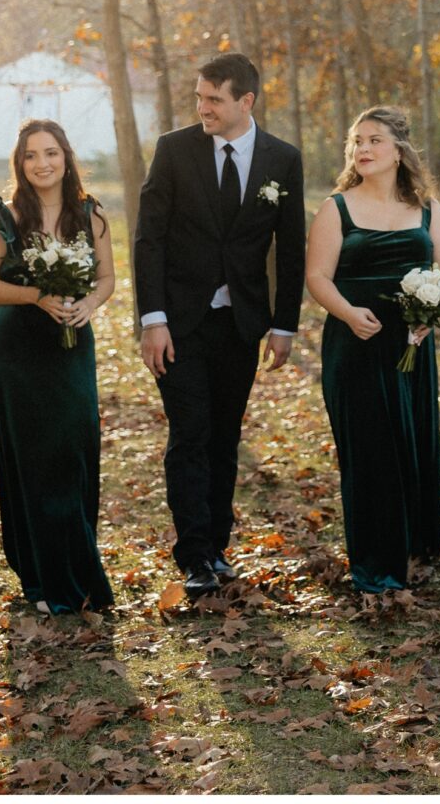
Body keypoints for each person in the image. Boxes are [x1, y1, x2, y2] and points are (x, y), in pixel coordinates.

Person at [132, 53, 306, 595]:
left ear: (245, 101)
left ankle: (218, 548)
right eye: (199, 98)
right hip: (178, 322)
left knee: (225, 435)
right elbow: (148, 238)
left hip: (242, 323)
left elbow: (291, 246)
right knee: (190, 434)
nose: (202, 108)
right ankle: (194, 556)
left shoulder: (282, 159)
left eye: (214, 99)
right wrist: (152, 319)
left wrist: (284, 324)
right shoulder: (174, 150)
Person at [0, 119, 115, 612]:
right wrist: (38, 295)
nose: (42, 163)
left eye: (50, 153)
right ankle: (44, 578)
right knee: (33, 462)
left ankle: (78, 567)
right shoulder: (4, 216)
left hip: (73, 344)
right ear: (20, 163)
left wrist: (89, 305)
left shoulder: (89, 212)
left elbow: (107, 277)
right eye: (31, 155)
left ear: (66, 156)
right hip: (17, 352)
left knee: (73, 452)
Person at [306, 106, 440, 595]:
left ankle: (416, 545)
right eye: (356, 141)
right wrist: (349, 313)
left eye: (373, 140)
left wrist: (428, 319)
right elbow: (317, 278)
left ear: (399, 151)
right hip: (356, 343)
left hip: (410, 343)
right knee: (371, 451)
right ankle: (376, 562)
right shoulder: (337, 207)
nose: (362, 149)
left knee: (412, 443)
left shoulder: (427, 206)